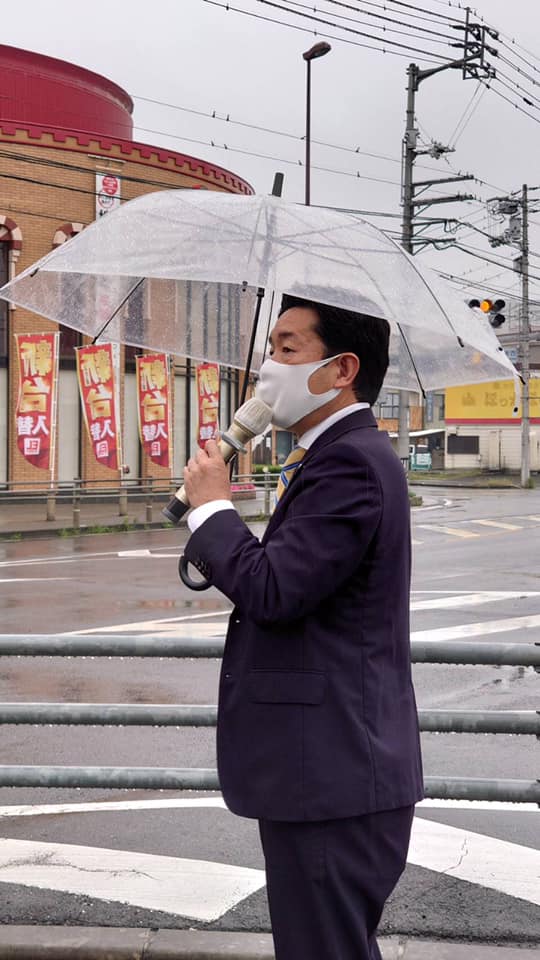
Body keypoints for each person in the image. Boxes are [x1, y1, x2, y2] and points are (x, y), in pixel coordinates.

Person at [182, 294, 423, 960]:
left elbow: (275, 590)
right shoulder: (334, 458)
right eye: (269, 347)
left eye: (288, 348)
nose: (268, 366)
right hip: (329, 770)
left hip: (333, 772)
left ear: (341, 369)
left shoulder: (350, 464)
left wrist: (211, 512)